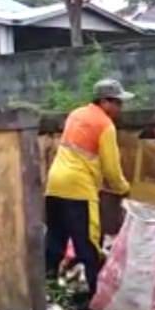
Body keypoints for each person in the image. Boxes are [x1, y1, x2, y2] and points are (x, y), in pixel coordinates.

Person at [44, 78, 134, 298]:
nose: (120, 108)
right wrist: (124, 189)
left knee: (55, 238)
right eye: (117, 102)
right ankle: (96, 297)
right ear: (104, 101)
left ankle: (48, 289)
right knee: (89, 243)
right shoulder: (105, 126)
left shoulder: (75, 114)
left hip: (54, 185)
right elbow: (112, 170)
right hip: (79, 189)